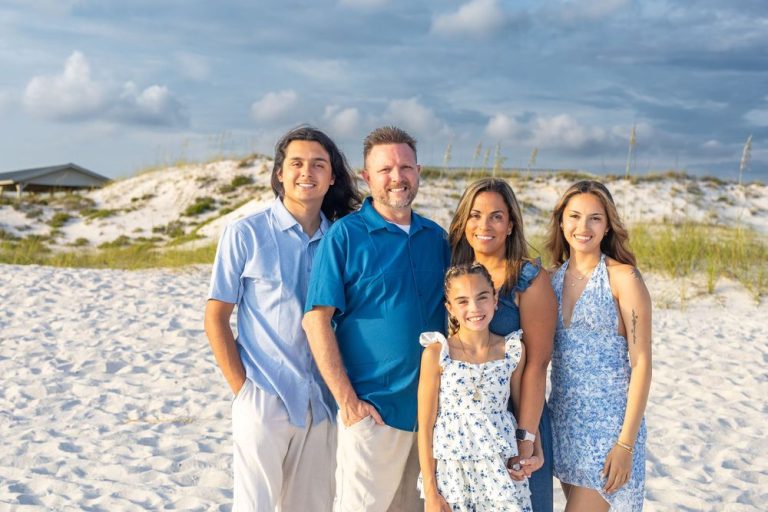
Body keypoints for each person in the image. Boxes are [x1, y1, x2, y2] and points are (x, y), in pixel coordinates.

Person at [204, 126, 361, 511]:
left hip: (323, 402)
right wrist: (243, 389)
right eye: (296, 163)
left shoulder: (342, 240)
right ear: (279, 173)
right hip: (264, 395)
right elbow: (216, 315)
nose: (306, 172)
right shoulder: (245, 233)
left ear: (332, 177)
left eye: (318, 164)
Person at [302, 126, 450, 512]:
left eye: (405, 167)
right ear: (367, 178)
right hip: (374, 413)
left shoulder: (437, 238)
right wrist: (348, 402)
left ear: (418, 171)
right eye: (385, 169)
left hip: (432, 414)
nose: (396, 177)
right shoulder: (346, 236)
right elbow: (316, 321)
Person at [448, 178, 556, 511]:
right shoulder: (454, 277)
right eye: (476, 215)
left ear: (510, 225)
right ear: (464, 221)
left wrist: (525, 439)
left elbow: (537, 365)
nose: (484, 225)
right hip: (463, 431)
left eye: (496, 216)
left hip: (518, 420)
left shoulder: (527, 280)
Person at [545, 180, 652, 511]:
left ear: (607, 226)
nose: (583, 227)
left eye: (595, 218)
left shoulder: (624, 278)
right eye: (574, 216)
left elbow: (642, 365)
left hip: (610, 432)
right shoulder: (550, 281)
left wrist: (626, 445)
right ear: (561, 221)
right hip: (563, 426)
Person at [417, 263, 539, 512]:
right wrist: (431, 492)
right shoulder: (437, 353)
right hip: (454, 475)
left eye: (482, 297)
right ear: (450, 309)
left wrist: (536, 451)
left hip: (500, 471)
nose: (474, 308)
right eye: (462, 301)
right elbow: (426, 428)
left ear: (495, 300)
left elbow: (522, 409)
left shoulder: (512, 350)